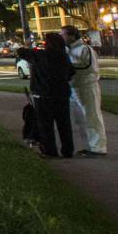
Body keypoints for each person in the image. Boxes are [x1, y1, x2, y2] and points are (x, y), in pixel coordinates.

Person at [28, 30, 76, 159]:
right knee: (64, 124)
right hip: (61, 94)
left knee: (46, 124)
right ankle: (68, 150)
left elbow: (21, 52)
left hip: (43, 95)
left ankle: (50, 150)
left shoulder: (40, 55)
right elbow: (71, 72)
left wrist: (29, 45)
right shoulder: (63, 56)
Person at [63, 25, 108, 156]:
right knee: (81, 119)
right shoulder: (68, 50)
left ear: (71, 36)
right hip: (74, 87)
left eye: (63, 34)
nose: (62, 37)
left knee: (92, 117)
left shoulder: (85, 49)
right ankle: (90, 146)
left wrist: (67, 67)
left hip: (86, 86)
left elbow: (87, 67)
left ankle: (98, 148)